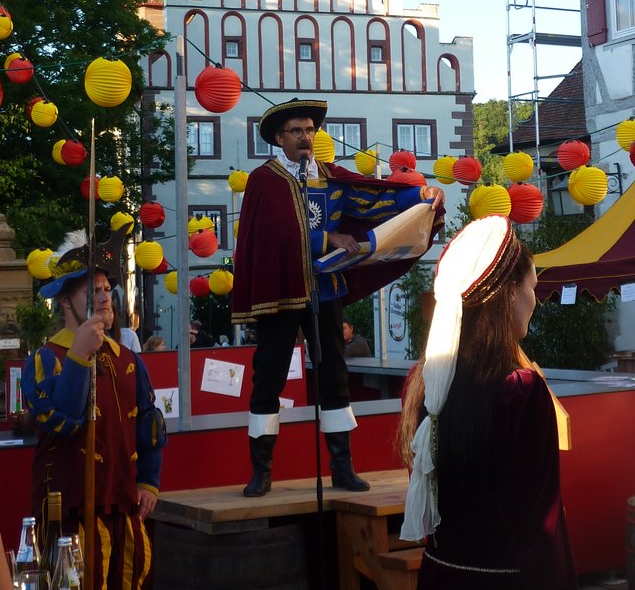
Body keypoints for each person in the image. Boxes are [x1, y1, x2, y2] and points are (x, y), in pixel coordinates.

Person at [232, 98, 444, 497]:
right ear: (279, 139)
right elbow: (270, 234)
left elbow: (374, 199)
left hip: (324, 289)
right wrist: (325, 237)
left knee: (334, 375)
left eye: (310, 130)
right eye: (296, 131)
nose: (305, 137)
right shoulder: (265, 180)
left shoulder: (330, 177)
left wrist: (420, 197)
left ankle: (342, 467)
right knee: (270, 376)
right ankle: (261, 471)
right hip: (281, 291)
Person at [398, 215, 577, 589]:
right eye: (533, 286)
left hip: (439, 576)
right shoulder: (520, 390)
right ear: (511, 291)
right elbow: (540, 526)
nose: (535, 300)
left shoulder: (425, 385)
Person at [21, 228, 167, 589]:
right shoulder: (45, 360)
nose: (105, 298)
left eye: (106, 290)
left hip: (124, 505)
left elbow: (149, 425)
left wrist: (149, 481)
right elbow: (64, 421)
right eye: (93, 291)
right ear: (67, 303)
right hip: (70, 514)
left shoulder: (129, 360)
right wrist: (79, 355)